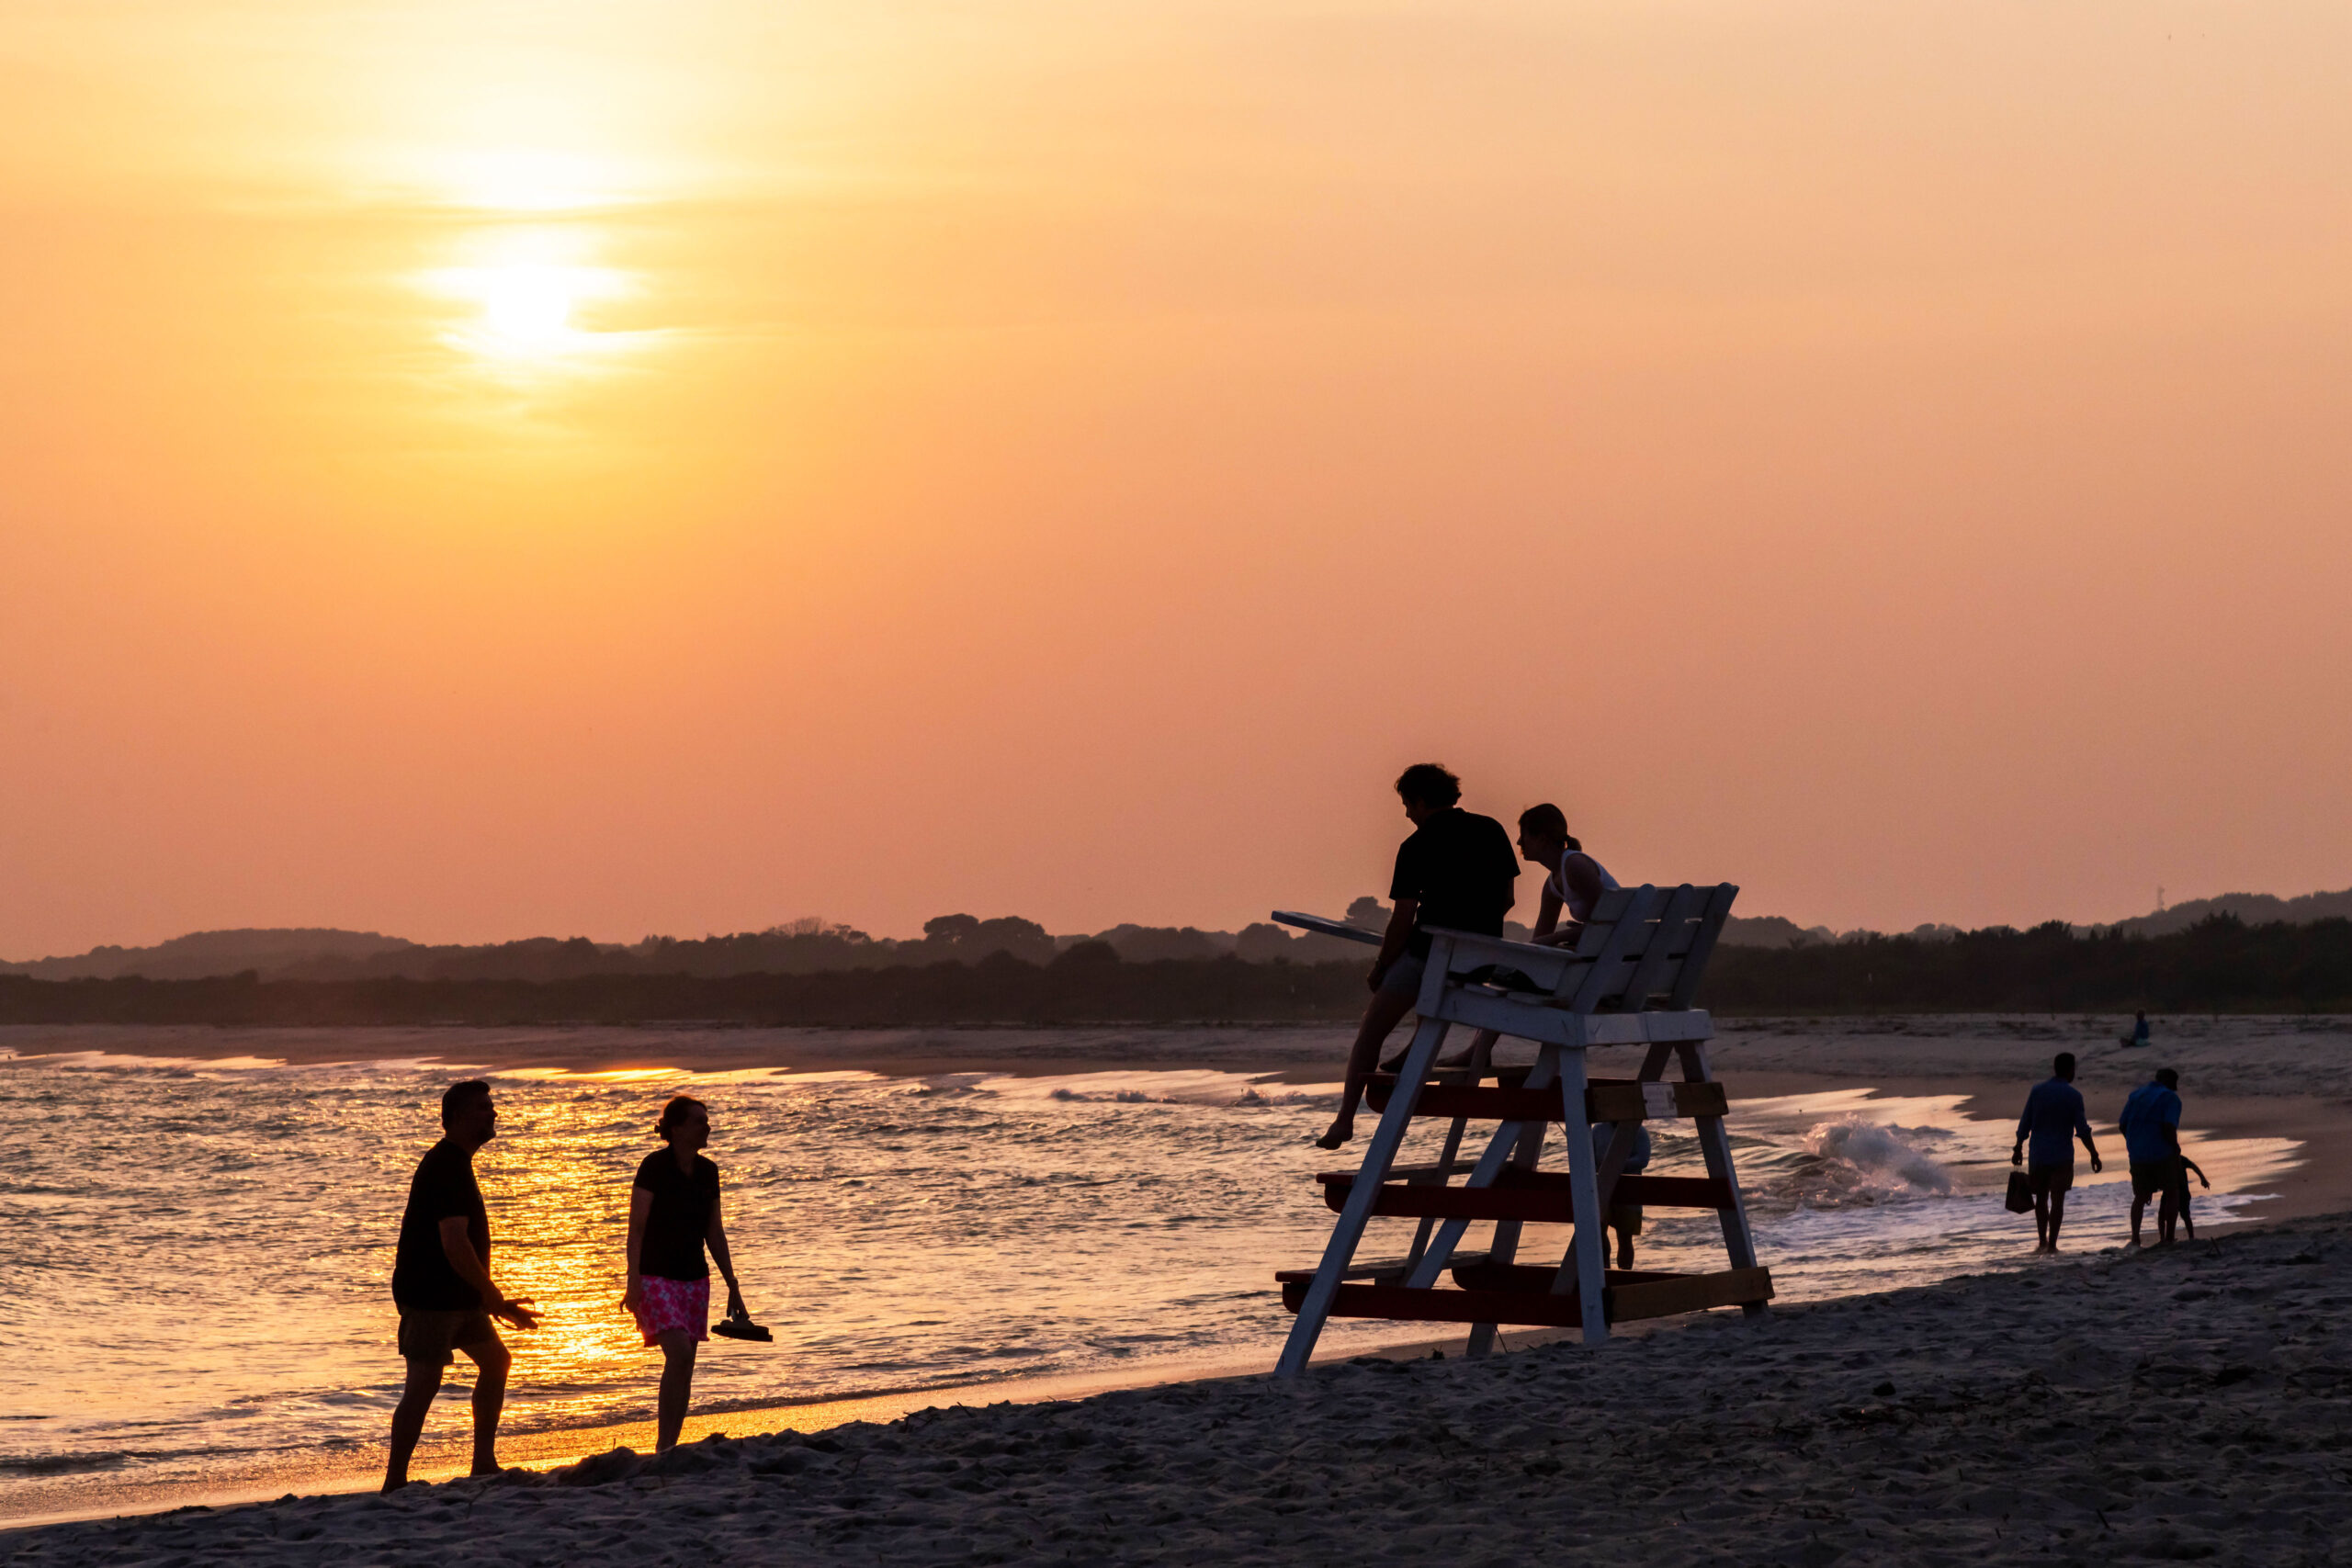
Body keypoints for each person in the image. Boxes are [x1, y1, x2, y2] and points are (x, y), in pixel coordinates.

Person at [1316, 763, 1521, 1149]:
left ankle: (1344, 1120)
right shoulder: (1492, 829)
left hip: (1430, 953)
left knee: (1370, 1030)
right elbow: (1507, 899)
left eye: (1407, 805)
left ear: (1422, 801)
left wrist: (1380, 967)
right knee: (1434, 997)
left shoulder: (1416, 845)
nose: (1407, 814)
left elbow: (1403, 918)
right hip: (1482, 958)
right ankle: (1410, 1053)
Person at [384, 1080, 540, 1492]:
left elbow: (460, 1244)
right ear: (458, 1118)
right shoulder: (445, 1165)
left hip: (459, 1296)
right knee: (424, 1382)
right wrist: (492, 1295)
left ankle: (483, 1463)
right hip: (430, 1297)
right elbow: (454, 1241)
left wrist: (489, 1298)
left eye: (492, 1107)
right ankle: (395, 1480)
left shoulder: (456, 1163)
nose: (494, 1114)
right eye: (484, 1108)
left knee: (495, 1362)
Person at [624, 1095, 750, 1452]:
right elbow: (636, 1229)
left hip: (695, 1277)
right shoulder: (653, 1166)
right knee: (678, 1354)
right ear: (676, 1128)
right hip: (654, 1277)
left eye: (706, 1121)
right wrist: (633, 1280)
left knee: (687, 1364)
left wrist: (734, 1287)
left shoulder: (709, 1171)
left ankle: (669, 1447)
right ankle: (664, 1448)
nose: (707, 1126)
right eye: (699, 1121)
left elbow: (715, 1231)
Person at [2008, 1052, 2103, 1253]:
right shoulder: (2074, 1096)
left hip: (2039, 1155)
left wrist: (2018, 1147)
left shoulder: (2037, 1091)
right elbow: (2083, 1130)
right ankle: (2052, 1245)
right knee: (2058, 1201)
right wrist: (2094, 1154)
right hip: (2062, 1156)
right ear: (2070, 1070)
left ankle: (2042, 1241)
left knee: (2041, 1199)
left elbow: (2025, 1122)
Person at [1515, 804, 1621, 946]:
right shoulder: (1552, 884)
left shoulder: (1575, 866)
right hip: (1613, 951)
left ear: (1541, 839)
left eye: (1523, 835)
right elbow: (1539, 941)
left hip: (1621, 949)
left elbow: (1606, 922)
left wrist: (1557, 938)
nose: (1518, 842)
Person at [2117, 1067, 2186, 1247]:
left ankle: (2135, 1239)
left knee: (2140, 1197)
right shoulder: (2171, 1098)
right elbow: (2168, 1127)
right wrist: (2175, 1148)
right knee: (2172, 1192)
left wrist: (2134, 1141)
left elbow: (2123, 1125)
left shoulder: (2136, 1095)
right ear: (2171, 1083)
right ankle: (2169, 1238)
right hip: (2162, 1153)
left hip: (2138, 1154)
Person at [1593, 1120, 1653, 1269]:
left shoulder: (1638, 1131)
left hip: (1629, 1190)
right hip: (1602, 1186)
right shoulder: (1598, 1129)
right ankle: (1605, 1270)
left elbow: (1642, 1160)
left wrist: (1615, 1165)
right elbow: (1591, 1155)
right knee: (1599, 1232)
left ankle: (1625, 1274)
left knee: (1625, 1238)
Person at [2172, 1155, 2211, 1241]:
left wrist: (2203, 1178)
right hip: (2170, 1192)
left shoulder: (2180, 1158)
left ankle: (2191, 1237)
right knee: (2169, 1215)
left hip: (2182, 1192)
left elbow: (2194, 1166)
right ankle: (2168, 1238)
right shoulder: (2165, 1158)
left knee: (2185, 1215)